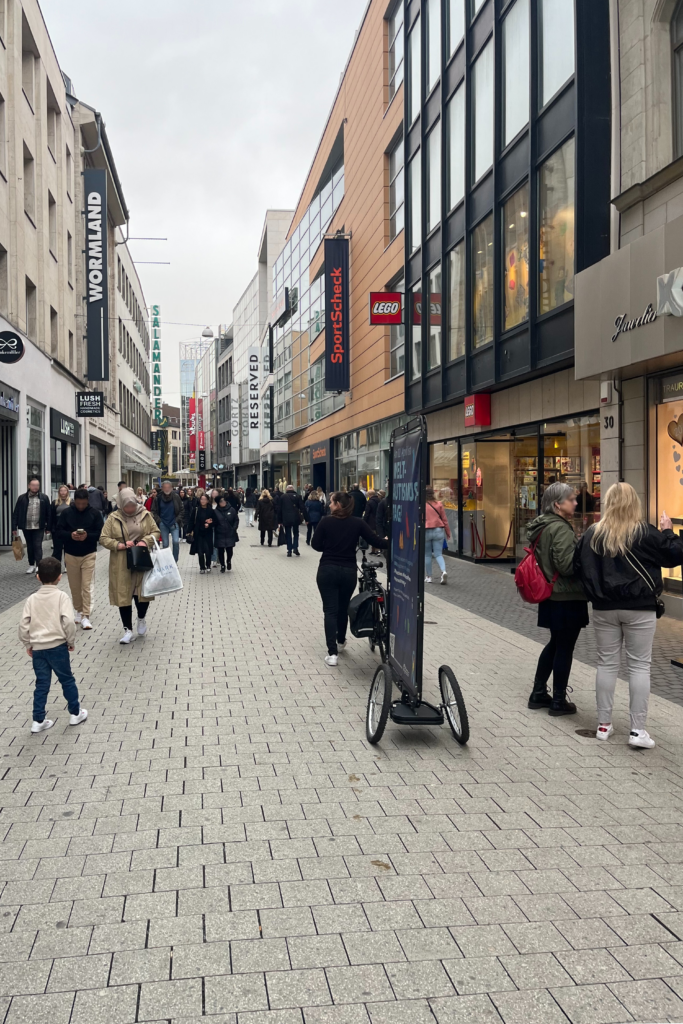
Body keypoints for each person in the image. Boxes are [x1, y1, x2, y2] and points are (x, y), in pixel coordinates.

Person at [575, 482, 683, 749]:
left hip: (604, 608)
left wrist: (594, 593)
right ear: (634, 503)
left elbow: (578, 567)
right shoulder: (645, 532)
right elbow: (675, 554)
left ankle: (603, 725)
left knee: (607, 664)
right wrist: (668, 531)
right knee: (639, 666)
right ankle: (637, 730)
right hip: (640, 607)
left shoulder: (592, 534)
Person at [527, 482, 589, 716]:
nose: (575, 502)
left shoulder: (544, 525)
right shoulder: (560, 528)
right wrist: (585, 557)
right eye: (571, 499)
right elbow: (565, 565)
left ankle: (539, 692)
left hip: (551, 594)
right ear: (557, 504)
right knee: (564, 647)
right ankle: (558, 700)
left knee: (555, 643)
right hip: (566, 595)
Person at [312, 491, 388, 666]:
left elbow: (315, 545)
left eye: (331, 502)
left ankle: (332, 654)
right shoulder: (357, 523)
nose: (329, 505)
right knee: (343, 607)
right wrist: (390, 541)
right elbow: (375, 541)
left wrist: (329, 547)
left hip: (327, 569)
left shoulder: (326, 522)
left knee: (330, 610)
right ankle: (340, 642)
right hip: (348, 571)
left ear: (338, 504)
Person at [19, 556, 87, 733]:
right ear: (60, 577)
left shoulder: (32, 599)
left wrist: (28, 643)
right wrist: (70, 641)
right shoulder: (62, 597)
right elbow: (69, 622)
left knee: (41, 684)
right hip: (57, 646)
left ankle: (38, 720)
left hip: (38, 649)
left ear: (38, 577)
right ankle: (75, 713)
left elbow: (23, 624)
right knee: (66, 679)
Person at [99, 488, 160, 644]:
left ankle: (141, 618)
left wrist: (144, 541)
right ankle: (127, 630)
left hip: (141, 559)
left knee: (142, 594)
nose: (130, 509)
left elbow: (156, 532)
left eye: (132, 505)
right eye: (127, 506)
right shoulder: (113, 517)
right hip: (121, 561)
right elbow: (103, 538)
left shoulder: (145, 514)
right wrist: (118, 544)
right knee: (124, 595)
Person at [54, 488, 103, 631]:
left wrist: (88, 535)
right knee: (75, 586)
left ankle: (86, 615)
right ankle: (78, 610)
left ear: (88, 501)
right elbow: (59, 531)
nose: (81, 506)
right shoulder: (66, 513)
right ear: (74, 501)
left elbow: (100, 533)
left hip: (89, 553)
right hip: (70, 553)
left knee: (86, 586)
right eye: (79, 503)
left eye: (84, 503)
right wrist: (71, 535)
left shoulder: (95, 513)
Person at [12, 477, 51, 574]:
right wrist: (14, 527)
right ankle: (31, 565)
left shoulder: (44, 498)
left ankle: (39, 565)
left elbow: (48, 513)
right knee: (30, 546)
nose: (35, 487)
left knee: (37, 545)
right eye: (33, 485)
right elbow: (16, 513)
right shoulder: (22, 498)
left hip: (39, 526)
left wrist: (48, 527)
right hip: (27, 526)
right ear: (29, 486)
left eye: (37, 485)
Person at [151, 481, 184, 563]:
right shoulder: (158, 498)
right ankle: (167, 562)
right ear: (162, 488)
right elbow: (153, 511)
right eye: (165, 487)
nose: (167, 489)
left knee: (176, 542)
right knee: (165, 544)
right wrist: (159, 521)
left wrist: (177, 520)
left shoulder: (176, 497)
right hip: (163, 524)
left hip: (174, 523)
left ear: (172, 488)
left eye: (168, 487)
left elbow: (182, 510)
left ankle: (174, 561)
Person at [425, 486, 451, 585]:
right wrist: (448, 532)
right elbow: (444, 520)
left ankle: (429, 577)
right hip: (438, 530)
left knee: (427, 555)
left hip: (426, 530)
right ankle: (443, 571)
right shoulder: (439, 504)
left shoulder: (421, 505)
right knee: (438, 554)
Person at [190, 493, 215, 573]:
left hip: (208, 533)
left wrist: (210, 523)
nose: (203, 501)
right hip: (198, 533)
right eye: (201, 499)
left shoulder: (211, 510)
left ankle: (208, 565)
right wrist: (188, 532)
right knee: (200, 551)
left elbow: (215, 521)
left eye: (204, 499)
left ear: (207, 501)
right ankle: (202, 567)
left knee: (208, 550)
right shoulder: (196, 510)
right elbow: (191, 521)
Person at [213, 495, 239, 572]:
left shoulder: (231, 510)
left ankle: (229, 561)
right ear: (218, 503)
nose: (223, 502)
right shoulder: (215, 512)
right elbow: (214, 522)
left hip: (229, 533)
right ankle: (222, 565)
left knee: (229, 550)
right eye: (221, 501)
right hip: (219, 534)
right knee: (220, 551)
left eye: (224, 500)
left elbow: (236, 520)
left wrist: (234, 528)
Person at [279, 484, 306, 557]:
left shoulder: (283, 497)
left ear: (287, 489)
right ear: (293, 489)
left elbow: (279, 509)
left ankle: (289, 550)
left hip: (286, 518)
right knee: (296, 533)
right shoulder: (298, 496)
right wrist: (306, 518)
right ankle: (296, 548)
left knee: (288, 534)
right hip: (295, 518)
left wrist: (279, 520)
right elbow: (302, 508)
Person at [51, 485, 71, 568]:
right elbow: (51, 516)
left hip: (68, 528)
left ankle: (68, 566)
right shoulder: (55, 502)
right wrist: (50, 528)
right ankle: (57, 566)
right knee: (57, 549)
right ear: (59, 492)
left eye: (64, 491)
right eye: (61, 491)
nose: (63, 492)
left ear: (67, 492)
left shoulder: (71, 502)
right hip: (57, 528)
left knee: (68, 549)